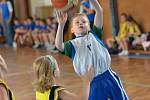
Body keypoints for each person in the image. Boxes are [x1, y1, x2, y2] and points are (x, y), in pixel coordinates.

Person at [55, 0, 128, 100]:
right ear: (72, 29)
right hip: (92, 82)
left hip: (108, 76)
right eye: (77, 22)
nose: (81, 23)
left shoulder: (95, 34)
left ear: (89, 26)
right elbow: (59, 46)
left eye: (84, 22)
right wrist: (61, 25)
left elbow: (99, 11)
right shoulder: (72, 45)